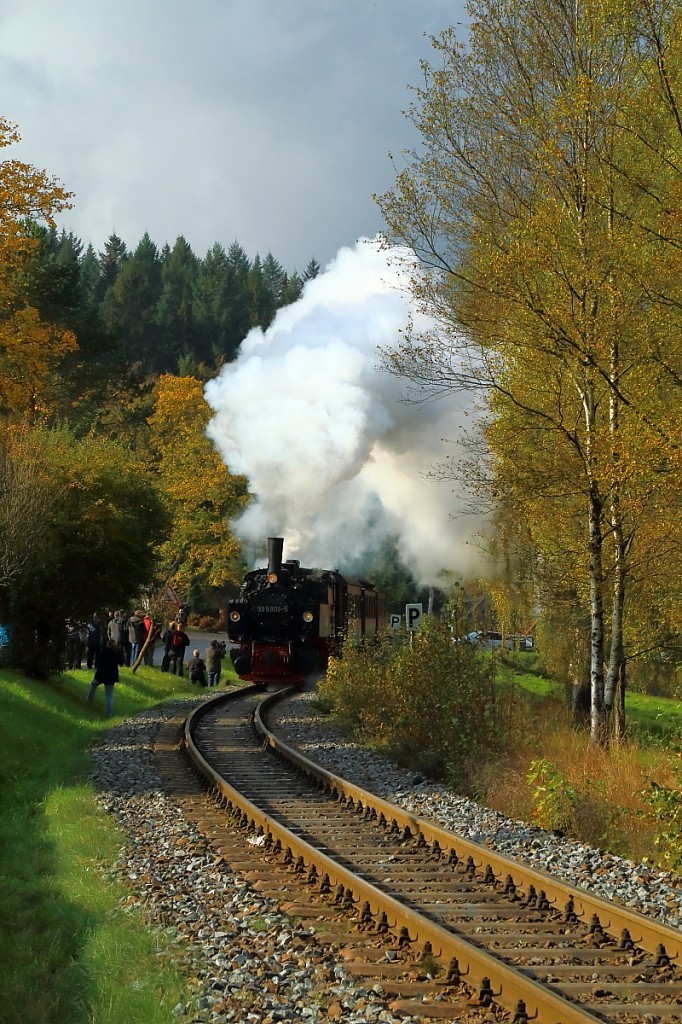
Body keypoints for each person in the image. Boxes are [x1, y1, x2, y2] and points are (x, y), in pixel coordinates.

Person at [86, 639, 124, 718]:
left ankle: (89, 700)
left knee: (93, 685)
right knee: (109, 696)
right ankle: (108, 714)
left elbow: (98, 663)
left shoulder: (103, 652)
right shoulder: (114, 654)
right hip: (110, 677)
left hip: (100, 675)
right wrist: (120, 651)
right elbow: (121, 661)